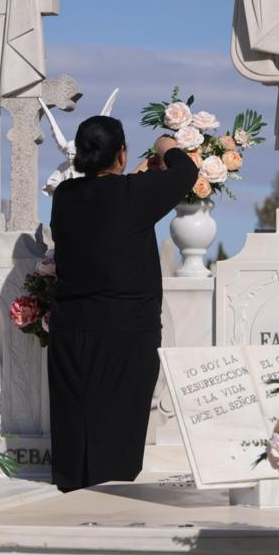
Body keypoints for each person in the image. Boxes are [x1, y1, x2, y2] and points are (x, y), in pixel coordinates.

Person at [47, 116, 198, 491]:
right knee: (116, 432)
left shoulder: (64, 197)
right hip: (125, 329)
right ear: (121, 153)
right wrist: (166, 145)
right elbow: (186, 172)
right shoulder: (134, 194)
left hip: (71, 328)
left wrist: (132, 176)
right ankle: (107, 518)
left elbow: (106, 199)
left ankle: (66, 508)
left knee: (74, 429)